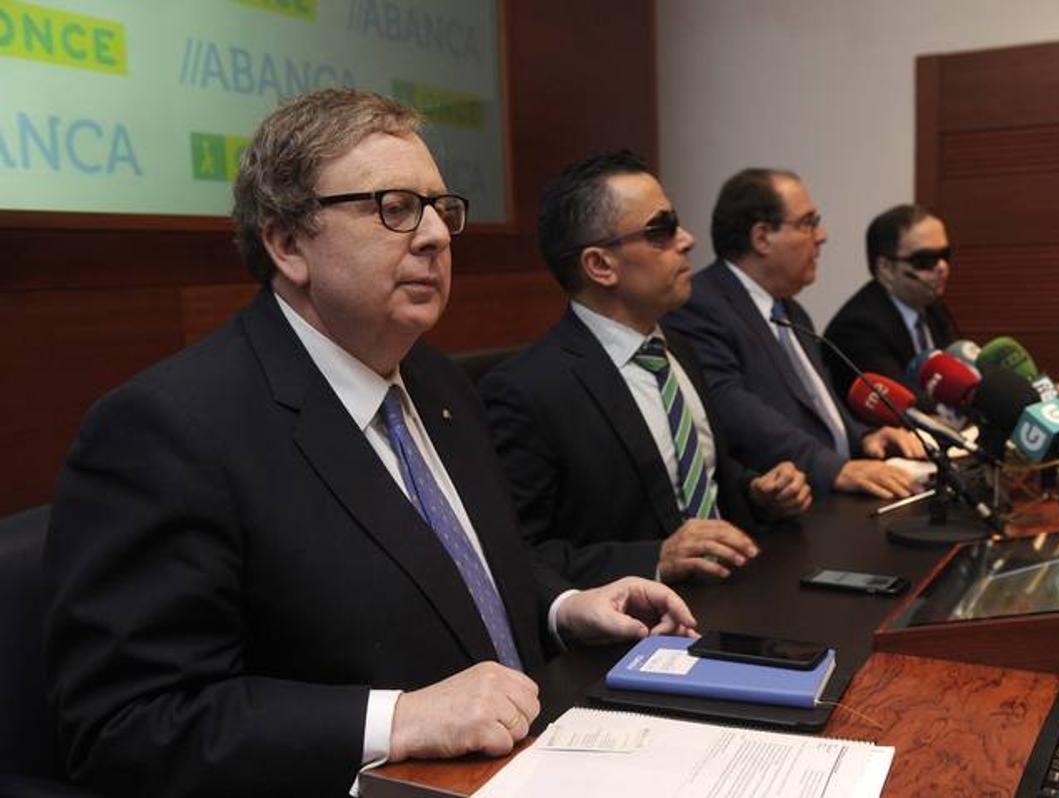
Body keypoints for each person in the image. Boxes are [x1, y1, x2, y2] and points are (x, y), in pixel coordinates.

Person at [42, 89, 696, 798]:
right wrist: (396, 720)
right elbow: (127, 726)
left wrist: (563, 607)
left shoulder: (440, 382)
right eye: (395, 208)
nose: (436, 236)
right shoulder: (169, 429)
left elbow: (458, 570)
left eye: (440, 208)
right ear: (287, 244)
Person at [480, 152, 812, 589]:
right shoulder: (527, 391)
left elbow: (696, 474)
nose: (688, 240)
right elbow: (520, 558)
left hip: (741, 588)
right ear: (600, 265)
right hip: (641, 619)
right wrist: (654, 559)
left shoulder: (679, 349)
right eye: (662, 230)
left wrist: (758, 493)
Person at [663, 169, 924, 500]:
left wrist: (864, 437)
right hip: (783, 506)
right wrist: (834, 468)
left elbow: (819, 408)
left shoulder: (791, 310)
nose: (821, 235)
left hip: (833, 494)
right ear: (761, 238)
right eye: (808, 223)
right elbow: (732, 410)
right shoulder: (700, 305)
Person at [823, 203, 959, 399]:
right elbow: (902, 404)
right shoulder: (857, 328)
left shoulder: (934, 309)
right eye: (925, 260)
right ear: (885, 267)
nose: (942, 266)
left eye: (945, 255)